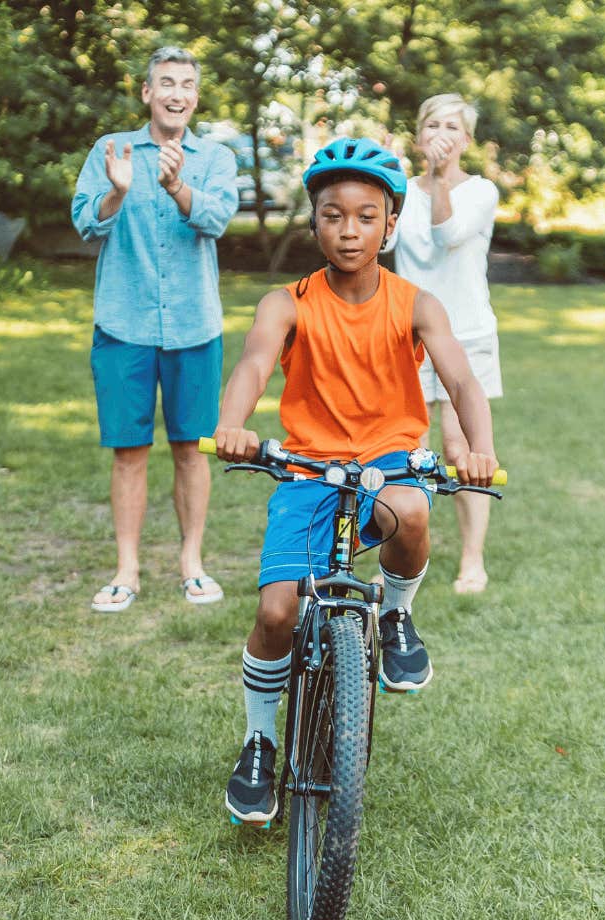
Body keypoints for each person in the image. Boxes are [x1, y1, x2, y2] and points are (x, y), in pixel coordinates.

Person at [211, 137, 499, 824]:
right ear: (314, 222)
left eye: (366, 216)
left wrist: (478, 448)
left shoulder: (415, 303)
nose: (349, 229)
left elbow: (460, 377)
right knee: (277, 612)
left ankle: (395, 615)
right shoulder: (288, 303)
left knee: (412, 511)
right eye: (333, 215)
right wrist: (233, 422)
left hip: (390, 461)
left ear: (390, 225)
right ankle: (259, 741)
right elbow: (254, 365)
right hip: (308, 468)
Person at [71, 46, 238, 611]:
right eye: (165, 82)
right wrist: (118, 190)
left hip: (195, 327)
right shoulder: (110, 150)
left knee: (192, 449)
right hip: (124, 324)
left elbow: (216, 218)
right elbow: (84, 223)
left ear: (195, 95)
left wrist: (176, 188)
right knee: (129, 452)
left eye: (186, 84)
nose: (176, 93)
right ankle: (127, 570)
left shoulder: (214, 157)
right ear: (146, 92)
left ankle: (192, 564)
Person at [386, 93, 501, 594]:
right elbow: (382, 244)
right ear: (419, 135)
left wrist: (435, 180)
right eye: (433, 124)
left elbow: (447, 233)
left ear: (467, 140)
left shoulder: (482, 191)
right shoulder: (401, 189)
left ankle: (472, 559)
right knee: (409, 450)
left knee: (461, 448)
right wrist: (388, 180)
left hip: (467, 335)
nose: (442, 134)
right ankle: (409, 553)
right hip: (408, 335)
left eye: (454, 127)